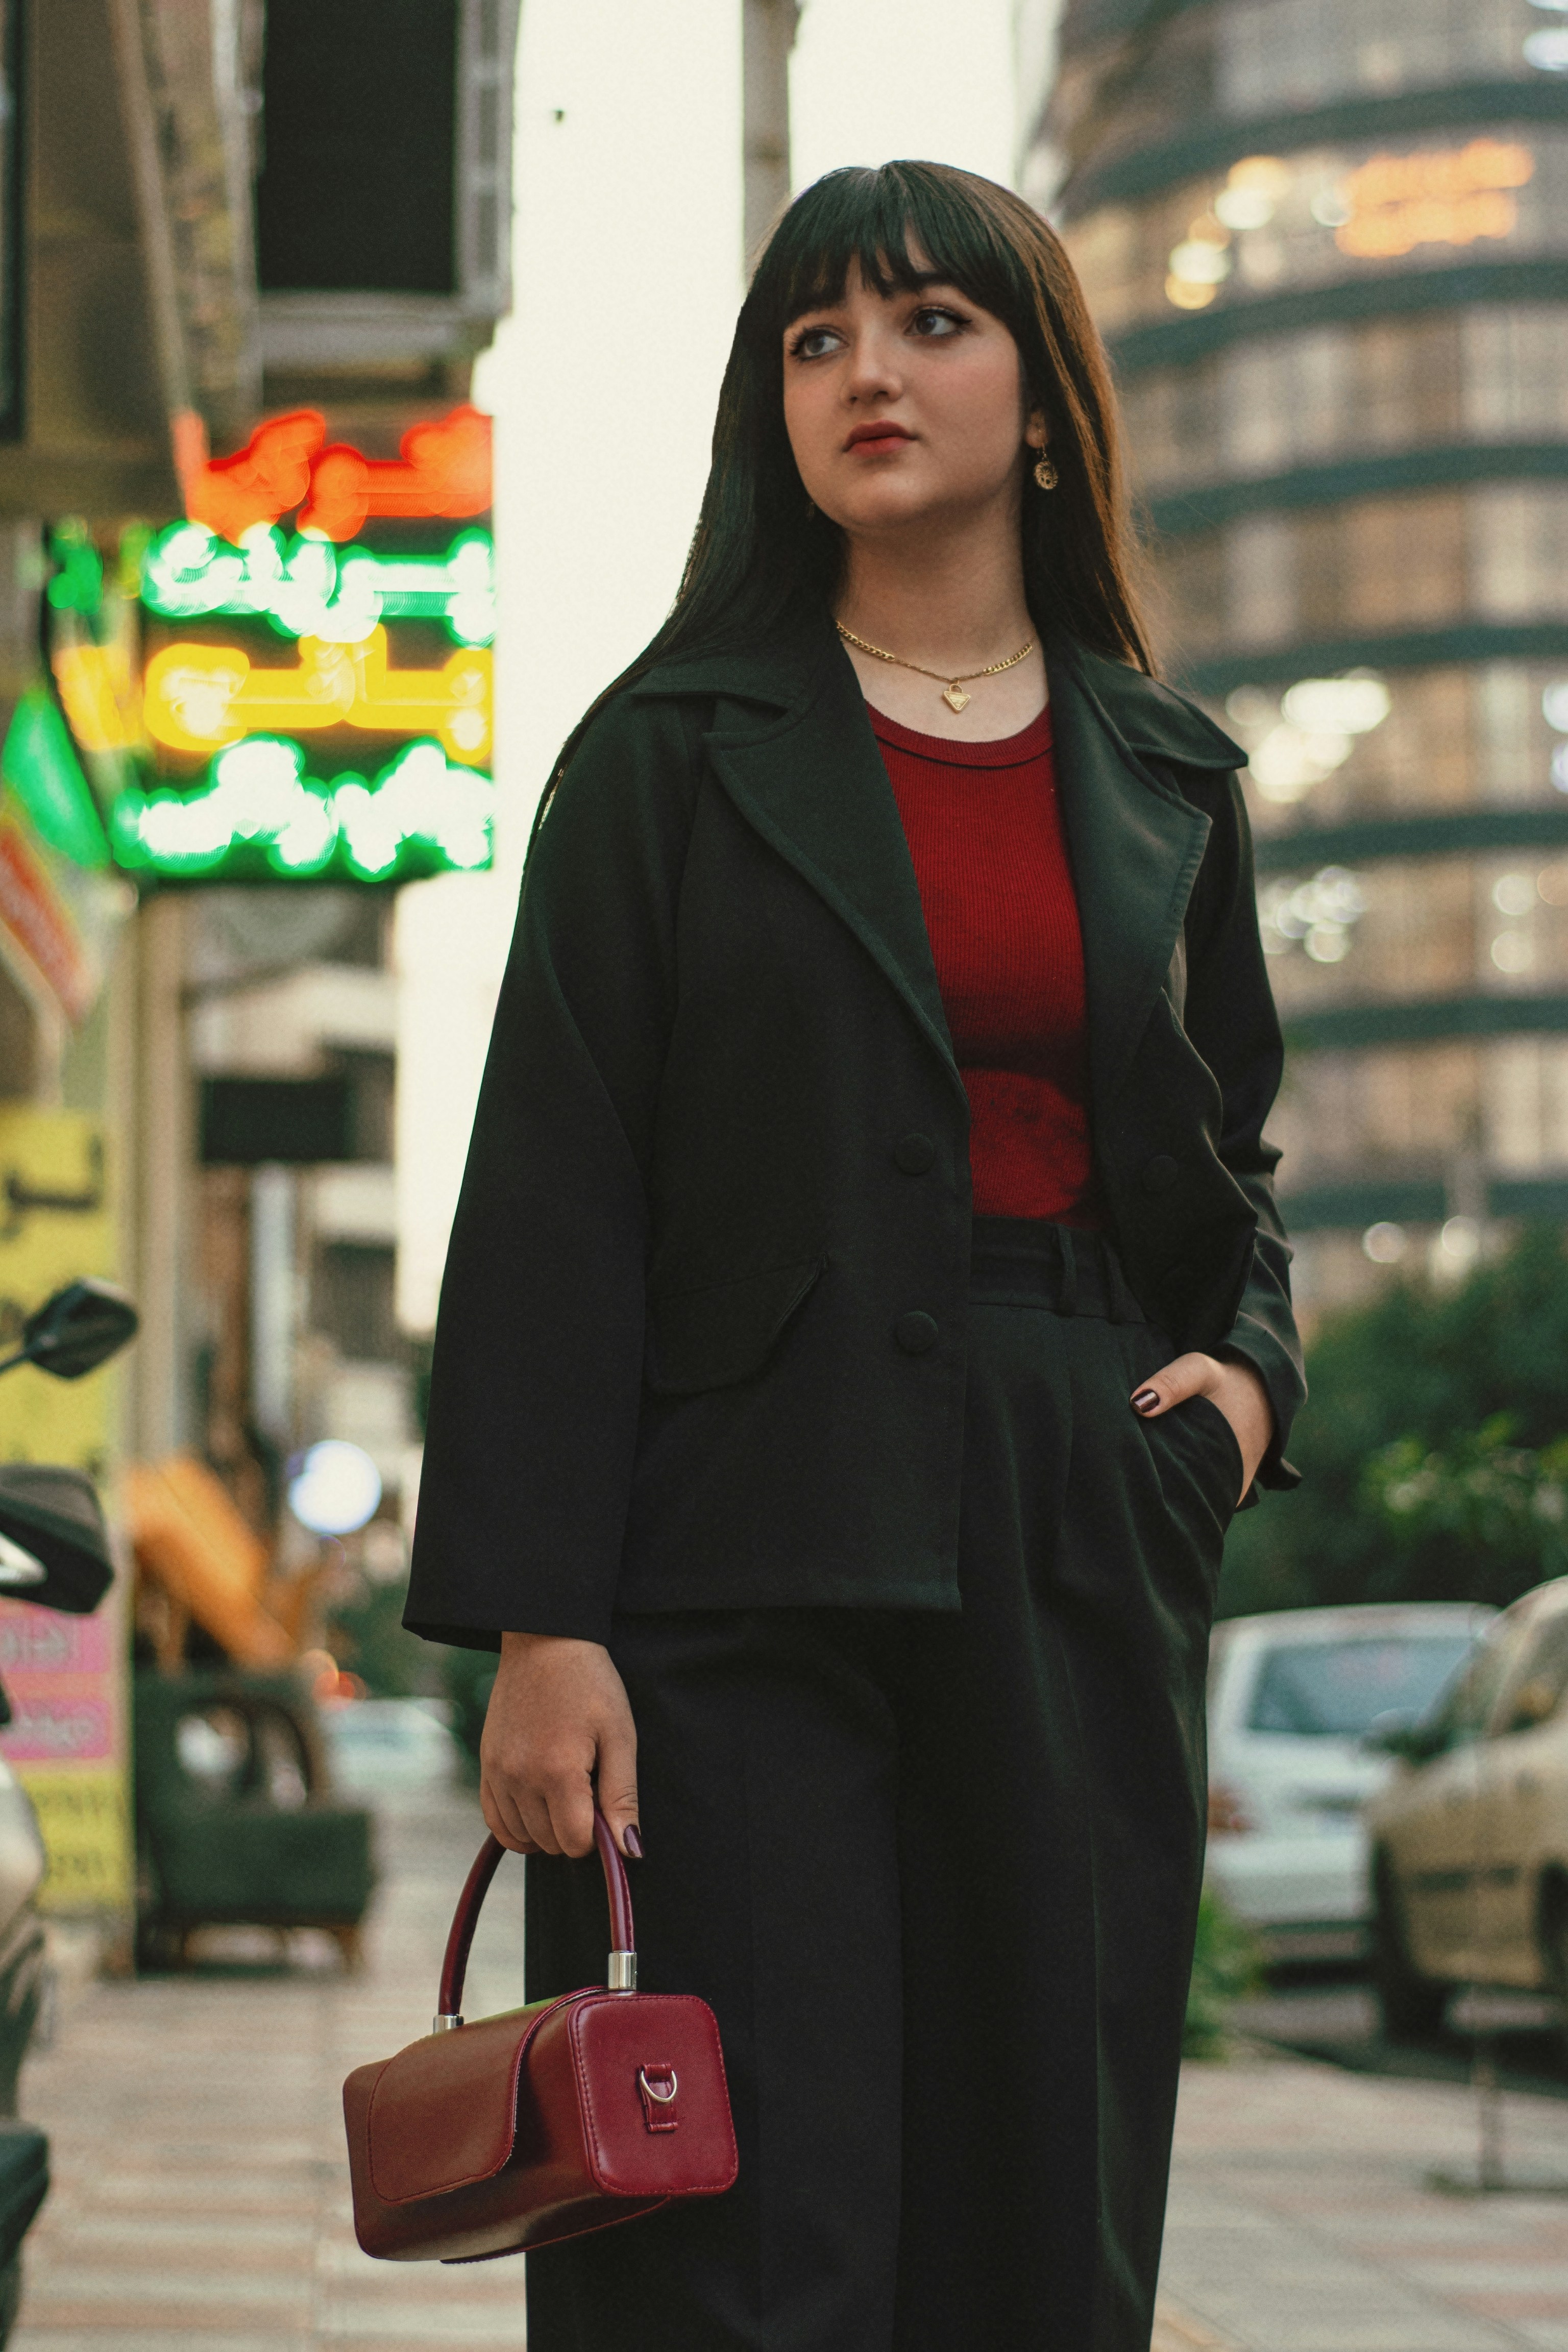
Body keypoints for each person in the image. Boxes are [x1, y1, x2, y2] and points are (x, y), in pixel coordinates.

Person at [406, 160, 1303, 2352]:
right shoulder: (666, 760)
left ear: (1044, 401)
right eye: (817, 340)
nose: (869, 376)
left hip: (1073, 1520)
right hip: (733, 1557)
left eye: (928, 326)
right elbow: (556, 1194)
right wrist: (544, 1622)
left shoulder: (1170, 777)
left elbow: (1229, 1165)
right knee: (733, 2222)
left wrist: (1252, 1385)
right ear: (769, 409)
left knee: (1040, 2195)